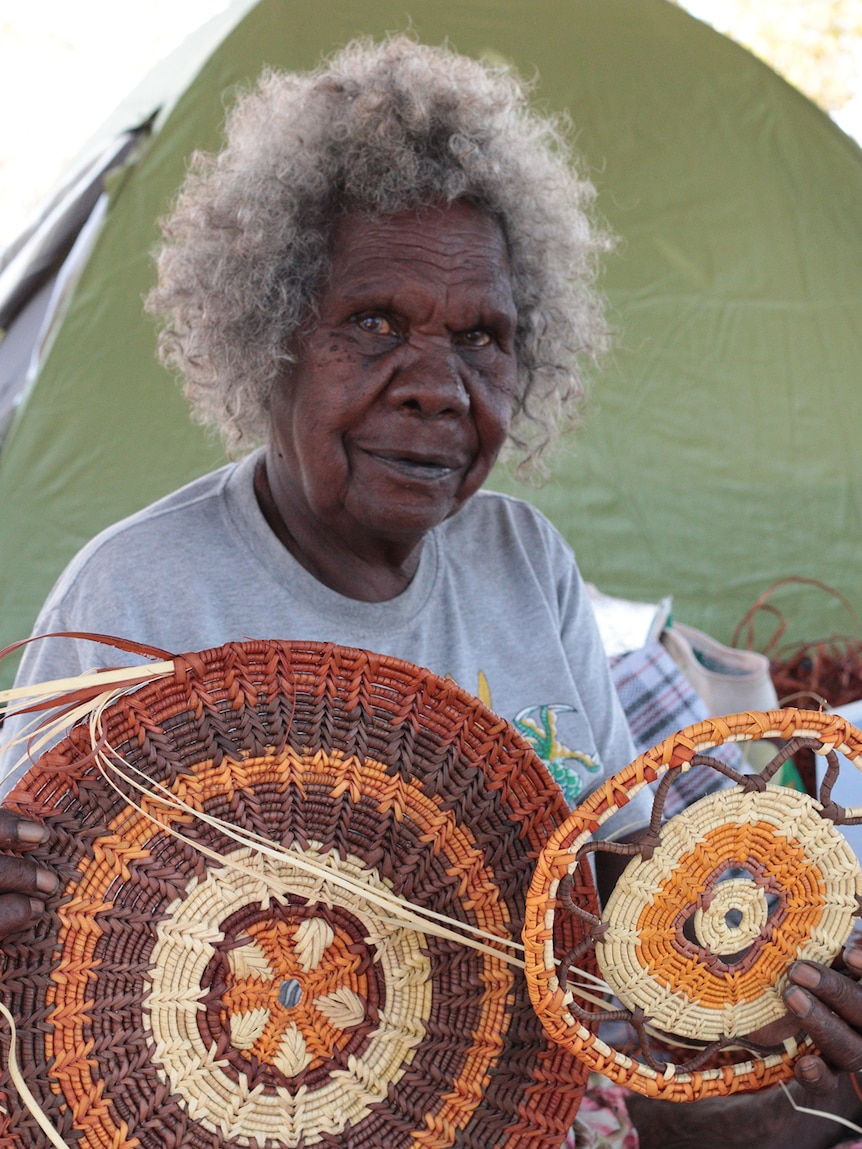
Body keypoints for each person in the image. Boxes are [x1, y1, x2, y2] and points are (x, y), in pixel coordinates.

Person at [0, 35, 861, 1149]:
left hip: (523, 1105)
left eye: (482, 339)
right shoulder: (140, 594)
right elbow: (39, 972)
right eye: (373, 324)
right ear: (270, 341)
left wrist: (768, 1011)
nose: (437, 390)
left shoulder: (524, 562)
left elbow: (615, 895)